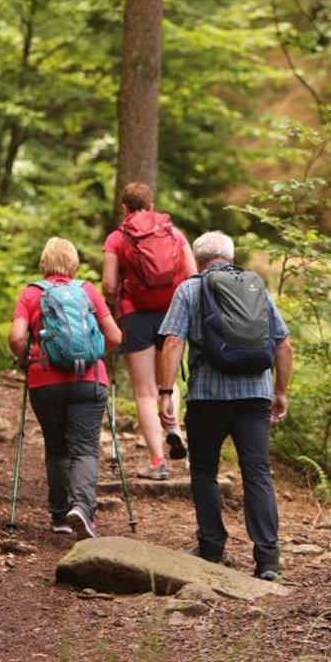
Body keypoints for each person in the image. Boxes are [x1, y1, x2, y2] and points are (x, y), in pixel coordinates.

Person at [156, 231, 293, 581]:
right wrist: (280, 392)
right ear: (231, 257)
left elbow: (173, 341)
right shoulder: (255, 287)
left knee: (204, 471)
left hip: (208, 397)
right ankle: (267, 560)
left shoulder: (190, 289)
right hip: (255, 395)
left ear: (198, 260)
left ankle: (212, 547)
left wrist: (165, 391)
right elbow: (283, 344)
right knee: (257, 472)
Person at [9, 237, 122, 539]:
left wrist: (24, 360)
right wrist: (94, 353)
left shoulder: (31, 294)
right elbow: (115, 336)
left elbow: (18, 337)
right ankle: (82, 508)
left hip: (44, 381)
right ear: (74, 263)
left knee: (56, 447)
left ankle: (60, 515)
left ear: (44, 262)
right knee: (85, 448)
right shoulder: (87, 291)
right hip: (88, 379)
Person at [102, 182, 198, 480]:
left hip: (137, 316)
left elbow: (107, 284)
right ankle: (174, 428)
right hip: (173, 313)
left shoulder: (117, 238)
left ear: (124, 208)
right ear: (151, 205)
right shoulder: (173, 232)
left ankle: (157, 462)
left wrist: (113, 303)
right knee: (167, 384)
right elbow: (194, 274)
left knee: (144, 392)